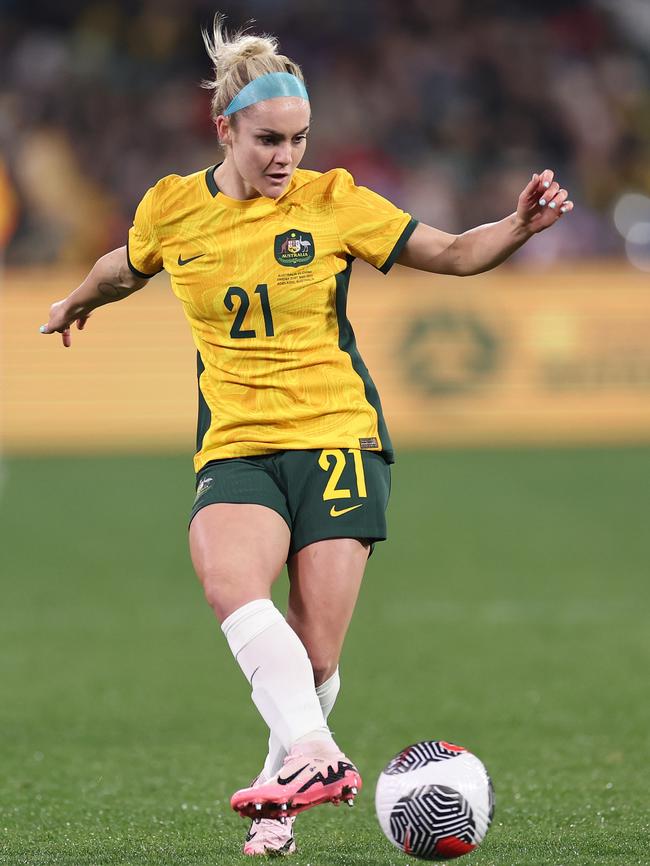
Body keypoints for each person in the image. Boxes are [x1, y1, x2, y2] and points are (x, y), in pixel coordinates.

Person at [40, 14, 573, 858]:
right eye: (267, 140)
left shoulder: (335, 202)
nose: (286, 156)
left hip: (335, 439)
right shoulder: (173, 210)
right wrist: (77, 299)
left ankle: (281, 805)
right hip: (238, 445)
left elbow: (454, 253)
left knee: (313, 655)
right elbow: (123, 265)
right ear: (224, 129)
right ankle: (316, 754)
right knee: (227, 583)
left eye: (298, 138)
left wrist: (515, 227)